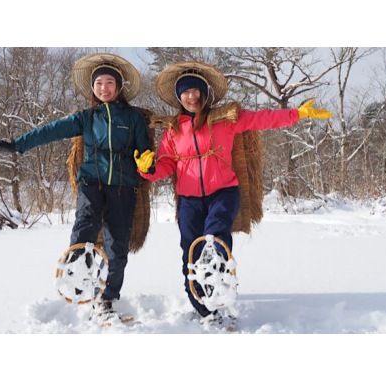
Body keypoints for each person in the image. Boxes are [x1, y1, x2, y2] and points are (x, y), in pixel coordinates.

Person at [134, 61, 332, 325]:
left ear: (205, 95)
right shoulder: (173, 130)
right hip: (189, 200)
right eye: (186, 92)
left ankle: (222, 293)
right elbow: (167, 163)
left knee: (215, 241)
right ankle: (202, 306)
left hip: (223, 192)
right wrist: (148, 169)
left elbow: (263, 119)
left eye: (196, 91)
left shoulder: (224, 119)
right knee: (190, 251)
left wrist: (297, 114)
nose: (191, 96)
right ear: (179, 97)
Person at [0, 53, 152, 320]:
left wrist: (146, 161)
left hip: (122, 186)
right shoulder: (86, 117)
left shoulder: (132, 118)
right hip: (91, 183)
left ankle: (107, 298)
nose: (104, 88)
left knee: (117, 246)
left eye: (109, 83)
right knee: (83, 231)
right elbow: (51, 130)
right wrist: (17, 145)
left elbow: (143, 149)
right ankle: (80, 283)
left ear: (118, 87)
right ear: (93, 88)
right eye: (99, 84)